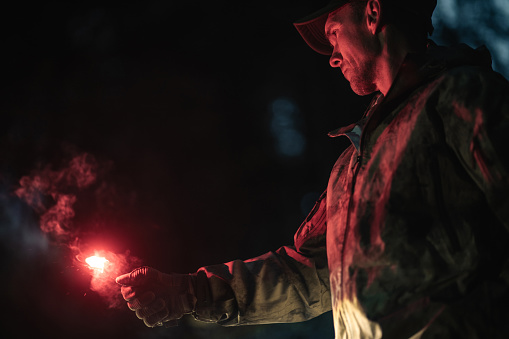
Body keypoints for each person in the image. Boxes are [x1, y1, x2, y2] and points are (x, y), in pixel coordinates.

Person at [115, 0, 509, 337]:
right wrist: (190, 293)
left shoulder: (464, 98)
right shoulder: (350, 165)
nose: (333, 56)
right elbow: (310, 274)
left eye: (334, 32)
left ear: (373, 14)